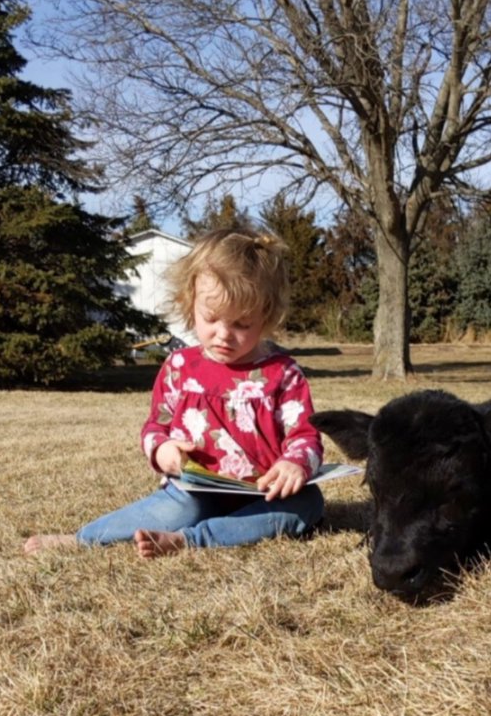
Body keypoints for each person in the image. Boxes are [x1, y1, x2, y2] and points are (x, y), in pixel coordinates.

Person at [24, 229, 324, 558]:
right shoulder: (179, 366)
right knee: (179, 508)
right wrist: (162, 449)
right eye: (211, 318)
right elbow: (156, 426)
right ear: (190, 302)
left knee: (307, 503)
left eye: (241, 324)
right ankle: (83, 539)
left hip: (263, 494)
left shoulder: (282, 373)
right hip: (196, 491)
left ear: (265, 317)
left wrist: (295, 465)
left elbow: (305, 436)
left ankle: (189, 540)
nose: (224, 335)